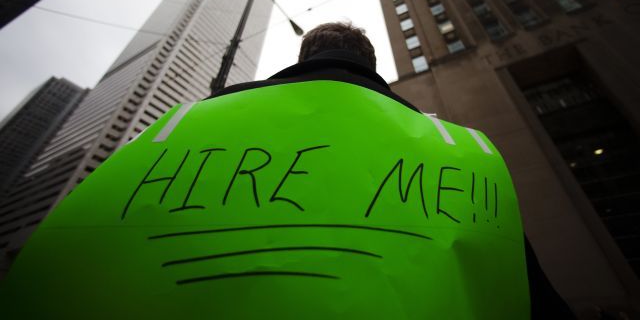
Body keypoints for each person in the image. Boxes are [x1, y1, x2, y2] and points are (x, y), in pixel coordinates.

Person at [0, 22, 574, 319]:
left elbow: (73, 246)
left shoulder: (187, 123)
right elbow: (526, 295)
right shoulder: (455, 147)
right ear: (371, 65)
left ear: (302, 59)